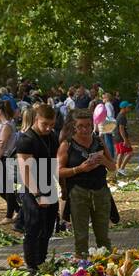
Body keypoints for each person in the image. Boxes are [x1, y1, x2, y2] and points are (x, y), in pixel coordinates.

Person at [58, 109, 113, 258]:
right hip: (78, 192)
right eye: (81, 126)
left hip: (100, 191)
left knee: (103, 235)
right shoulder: (67, 144)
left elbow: (113, 167)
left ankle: (106, 264)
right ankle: (82, 267)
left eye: (88, 125)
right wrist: (79, 169)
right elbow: (58, 171)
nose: (85, 129)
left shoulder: (99, 141)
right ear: (74, 127)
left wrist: (104, 161)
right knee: (81, 236)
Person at [15, 103, 60, 269]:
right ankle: (32, 264)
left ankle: (42, 260)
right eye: (44, 124)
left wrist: (60, 185)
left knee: (48, 228)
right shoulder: (26, 139)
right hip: (32, 190)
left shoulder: (52, 136)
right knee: (33, 228)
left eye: (52, 124)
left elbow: (55, 163)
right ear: (36, 119)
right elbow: (25, 171)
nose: (48, 128)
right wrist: (38, 194)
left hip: (49, 185)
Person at [0, 100, 21, 227]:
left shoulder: (7, 126)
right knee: (0, 187)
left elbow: (1, 145)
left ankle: (9, 215)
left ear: (0, 111)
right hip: (3, 157)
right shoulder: (2, 125)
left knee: (5, 187)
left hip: (5, 158)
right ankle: (18, 210)